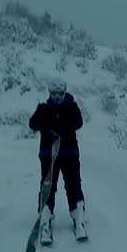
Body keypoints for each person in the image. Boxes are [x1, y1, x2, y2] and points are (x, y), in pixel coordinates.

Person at [28, 79, 87, 243]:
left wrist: (62, 126)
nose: (57, 98)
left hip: (69, 154)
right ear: (49, 94)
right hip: (49, 155)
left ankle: (78, 217)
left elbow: (78, 122)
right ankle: (45, 218)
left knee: (73, 184)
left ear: (64, 92)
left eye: (60, 94)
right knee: (48, 186)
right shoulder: (43, 108)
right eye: (54, 94)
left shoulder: (72, 107)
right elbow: (32, 124)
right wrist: (45, 123)